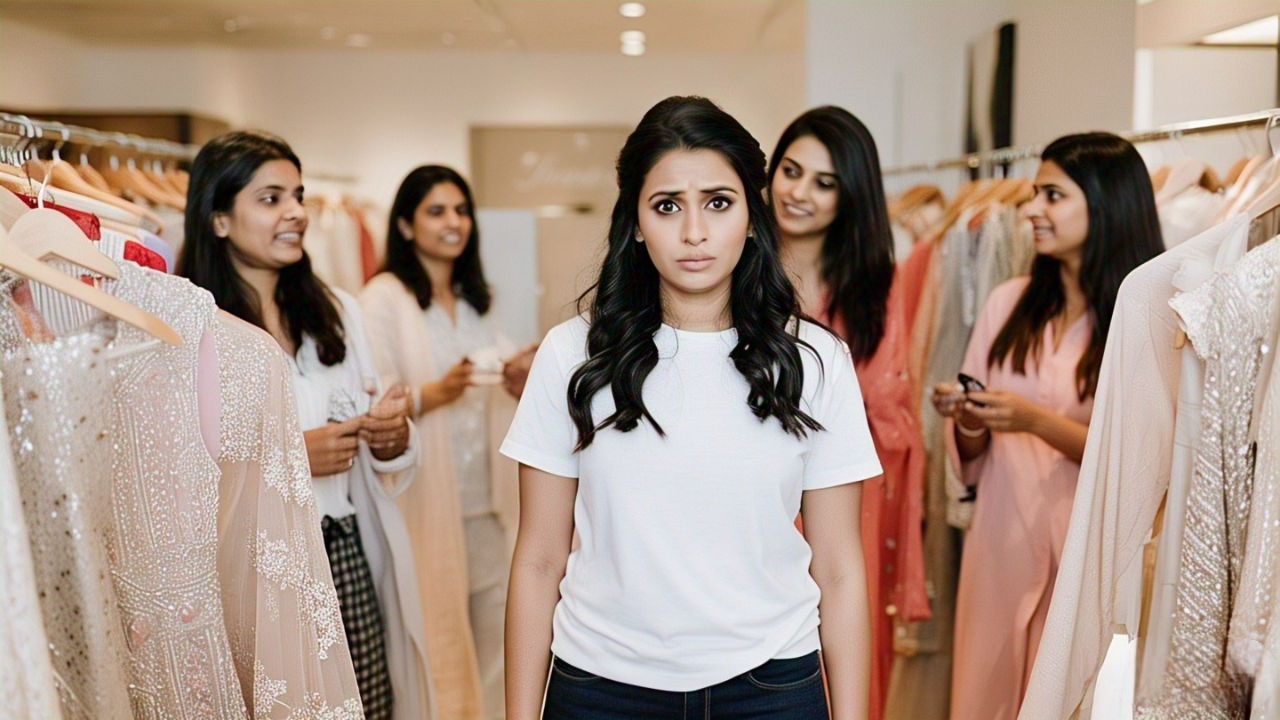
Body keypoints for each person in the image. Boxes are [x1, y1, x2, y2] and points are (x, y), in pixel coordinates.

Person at [501, 95, 881, 720]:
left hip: (773, 687)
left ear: (753, 218)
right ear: (635, 223)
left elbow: (840, 569)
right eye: (668, 206)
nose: (695, 232)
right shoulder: (572, 354)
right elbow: (539, 558)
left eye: (718, 203)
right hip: (600, 686)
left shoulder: (815, 359)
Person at [178, 130, 433, 720]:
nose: (295, 212)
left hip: (343, 553)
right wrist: (290, 458)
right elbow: (176, 471)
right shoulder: (195, 330)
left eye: (297, 194)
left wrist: (394, 438)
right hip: (251, 570)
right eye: (270, 199)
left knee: (368, 704)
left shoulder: (336, 309)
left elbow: (378, 428)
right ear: (218, 218)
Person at [930, 132, 1164, 719]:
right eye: (1036, 193)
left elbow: (1142, 459)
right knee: (985, 692)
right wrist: (970, 419)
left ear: (1107, 203)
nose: (1031, 209)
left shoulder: (1147, 321)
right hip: (1000, 540)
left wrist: (1034, 420)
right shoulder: (1008, 303)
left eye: (1052, 195)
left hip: (1089, 550)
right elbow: (971, 454)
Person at [768, 106, 928, 720]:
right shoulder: (736, 271)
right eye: (791, 170)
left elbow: (891, 416)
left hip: (849, 505)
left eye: (824, 182)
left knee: (844, 657)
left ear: (850, 197)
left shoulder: (877, 289)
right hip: (759, 500)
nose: (799, 192)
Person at [359, 165, 533, 720]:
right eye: (437, 211)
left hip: (489, 504)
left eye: (461, 210)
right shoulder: (384, 298)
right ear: (406, 225)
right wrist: (437, 392)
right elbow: (371, 397)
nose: (454, 222)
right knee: (433, 642)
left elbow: (499, 367)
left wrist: (517, 373)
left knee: (495, 645)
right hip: (425, 503)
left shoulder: (475, 297)